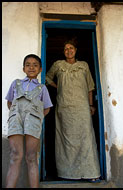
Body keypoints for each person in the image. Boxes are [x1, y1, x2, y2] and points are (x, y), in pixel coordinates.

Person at [46, 39, 101, 182]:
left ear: (76, 50)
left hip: (82, 107)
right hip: (64, 108)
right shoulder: (58, 65)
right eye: (65, 49)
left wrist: (90, 105)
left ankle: (91, 173)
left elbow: (90, 87)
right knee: (66, 141)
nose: (68, 51)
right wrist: (59, 87)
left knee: (86, 138)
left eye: (71, 48)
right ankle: (67, 173)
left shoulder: (83, 65)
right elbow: (46, 78)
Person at [5, 54, 53, 188]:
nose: (31, 67)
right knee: (15, 155)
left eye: (35, 65)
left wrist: (36, 118)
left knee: (31, 157)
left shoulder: (42, 88)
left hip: (33, 121)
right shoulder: (16, 84)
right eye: (28, 65)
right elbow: (10, 102)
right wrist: (15, 114)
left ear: (40, 69)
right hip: (16, 119)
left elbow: (47, 108)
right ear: (23, 68)